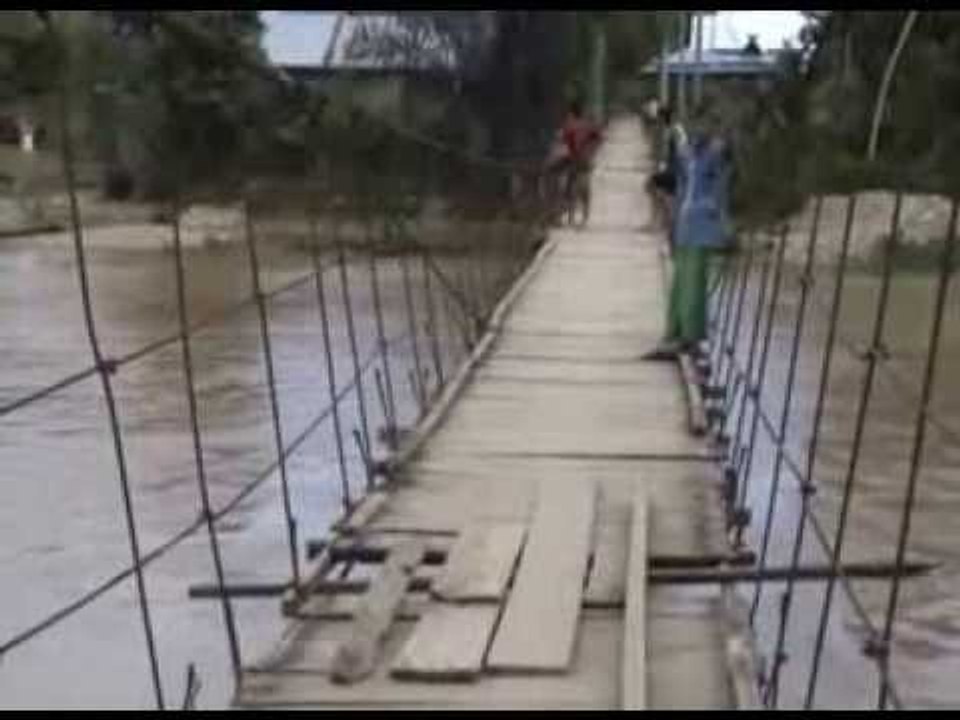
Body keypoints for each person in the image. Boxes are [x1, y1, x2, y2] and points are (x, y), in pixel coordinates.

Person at [645, 109, 733, 360]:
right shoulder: (694, 153)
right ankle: (681, 335)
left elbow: (717, 189)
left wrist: (724, 226)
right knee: (686, 281)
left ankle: (684, 335)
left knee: (691, 281)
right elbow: (696, 189)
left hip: (696, 225)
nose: (698, 130)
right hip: (691, 225)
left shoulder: (706, 154)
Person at [559, 98, 602, 227]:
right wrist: (591, 151)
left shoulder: (569, 125)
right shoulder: (587, 124)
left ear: (571, 112)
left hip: (574, 160)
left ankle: (571, 217)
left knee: (570, 188)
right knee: (584, 189)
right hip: (584, 160)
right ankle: (584, 217)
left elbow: (564, 141)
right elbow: (598, 138)